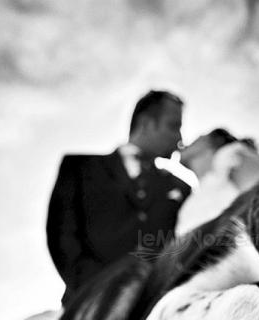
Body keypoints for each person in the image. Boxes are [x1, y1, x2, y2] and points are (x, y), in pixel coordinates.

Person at [47, 90, 191, 303]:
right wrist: (96, 291)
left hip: (157, 309)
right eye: (173, 126)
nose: (180, 139)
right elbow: (62, 236)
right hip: (86, 306)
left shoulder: (180, 186)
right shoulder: (79, 168)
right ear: (146, 123)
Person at [176, 130, 259, 235]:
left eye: (198, 138)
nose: (185, 144)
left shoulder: (233, 154)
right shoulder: (193, 201)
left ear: (217, 140)